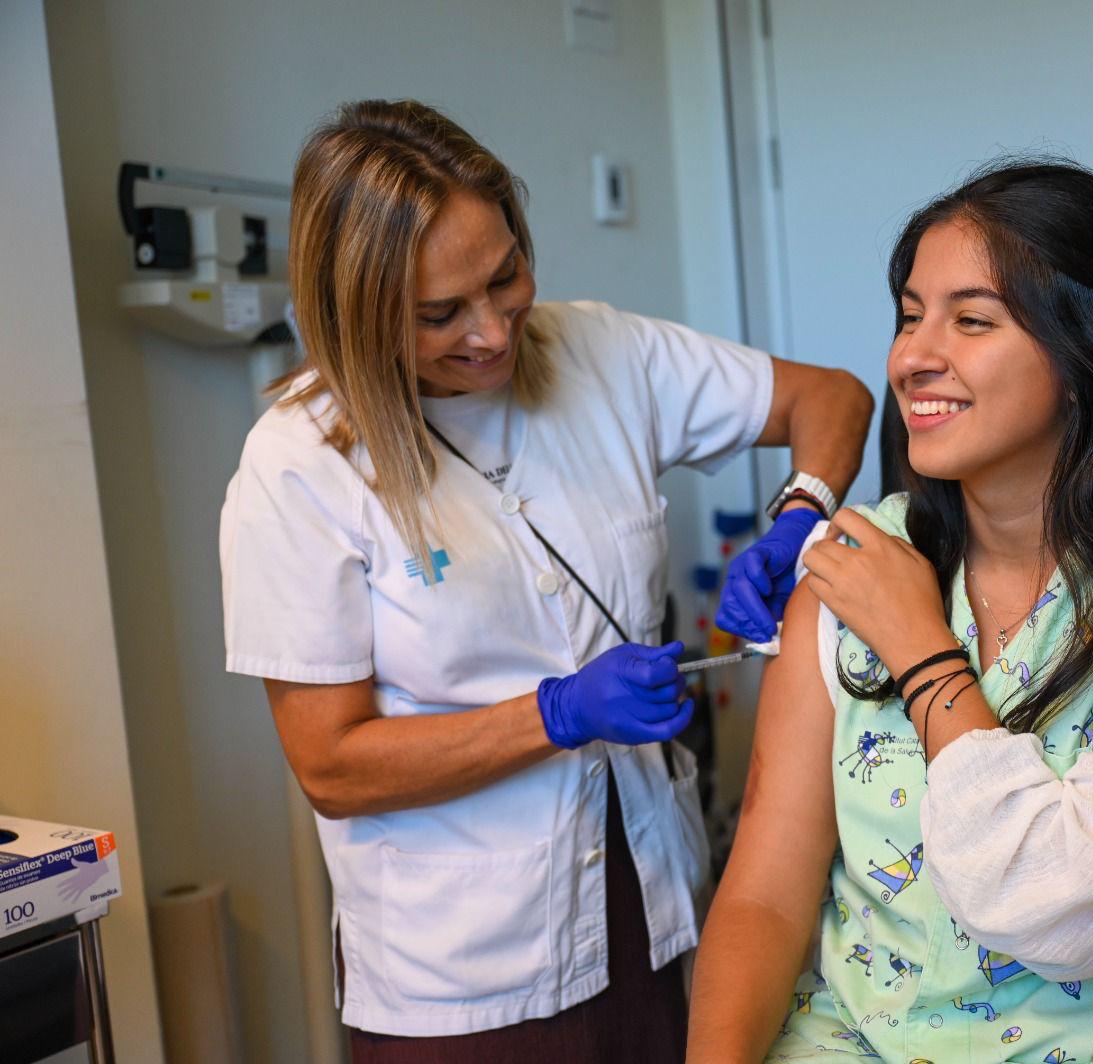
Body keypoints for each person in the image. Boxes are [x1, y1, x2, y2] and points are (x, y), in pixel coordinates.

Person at [218, 99, 872, 1060]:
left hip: (649, 904)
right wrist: (556, 713)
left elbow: (833, 397)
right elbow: (332, 766)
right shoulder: (297, 467)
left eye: (505, 277)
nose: (491, 331)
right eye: (440, 314)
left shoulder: (600, 352)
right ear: (357, 314)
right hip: (460, 971)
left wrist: (801, 512)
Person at [686, 160, 1093, 1063]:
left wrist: (923, 653)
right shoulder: (859, 564)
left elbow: (1064, 913)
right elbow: (765, 892)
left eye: (970, 320)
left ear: (1087, 355)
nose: (914, 356)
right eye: (910, 315)